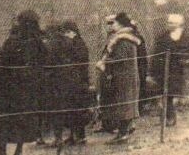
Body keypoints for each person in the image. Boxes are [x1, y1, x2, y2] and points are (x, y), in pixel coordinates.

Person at [0, 10, 46, 155]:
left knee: (5, 118)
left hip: (9, 86)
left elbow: (2, 61)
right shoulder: (38, 41)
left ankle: (2, 152)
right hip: (28, 86)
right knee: (23, 119)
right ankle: (18, 152)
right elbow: (44, 60)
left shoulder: (12, 40)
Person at [44, 19, 92, 146]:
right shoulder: (72, 42)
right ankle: (75, 136)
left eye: (68, 32)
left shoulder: (74, 43)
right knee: (75, 109)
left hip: (74, 81)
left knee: (73, 110)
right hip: (75, 81)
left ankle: (76, 136)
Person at [98, 12, 142, 141]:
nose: (113, 25)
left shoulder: (123, 39)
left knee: (124, 105)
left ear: (121, 24)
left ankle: (123, 133)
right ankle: (124, 131)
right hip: (126, 76)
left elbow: (120, 58)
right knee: (125, 105)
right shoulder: (127, 37)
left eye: (114, 23)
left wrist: (104, 62)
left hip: (124, 77)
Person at [156, 12, 189, 127]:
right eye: (168, 22)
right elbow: (157, 53)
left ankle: (170, 116)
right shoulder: (162, 37)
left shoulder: (185, 38)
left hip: (179, 70)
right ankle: (168, 116)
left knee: (173, 95)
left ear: (179, 24)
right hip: (164, 69)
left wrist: (187, 61)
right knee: (165, 94)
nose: (169, 24)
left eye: (172, 23)